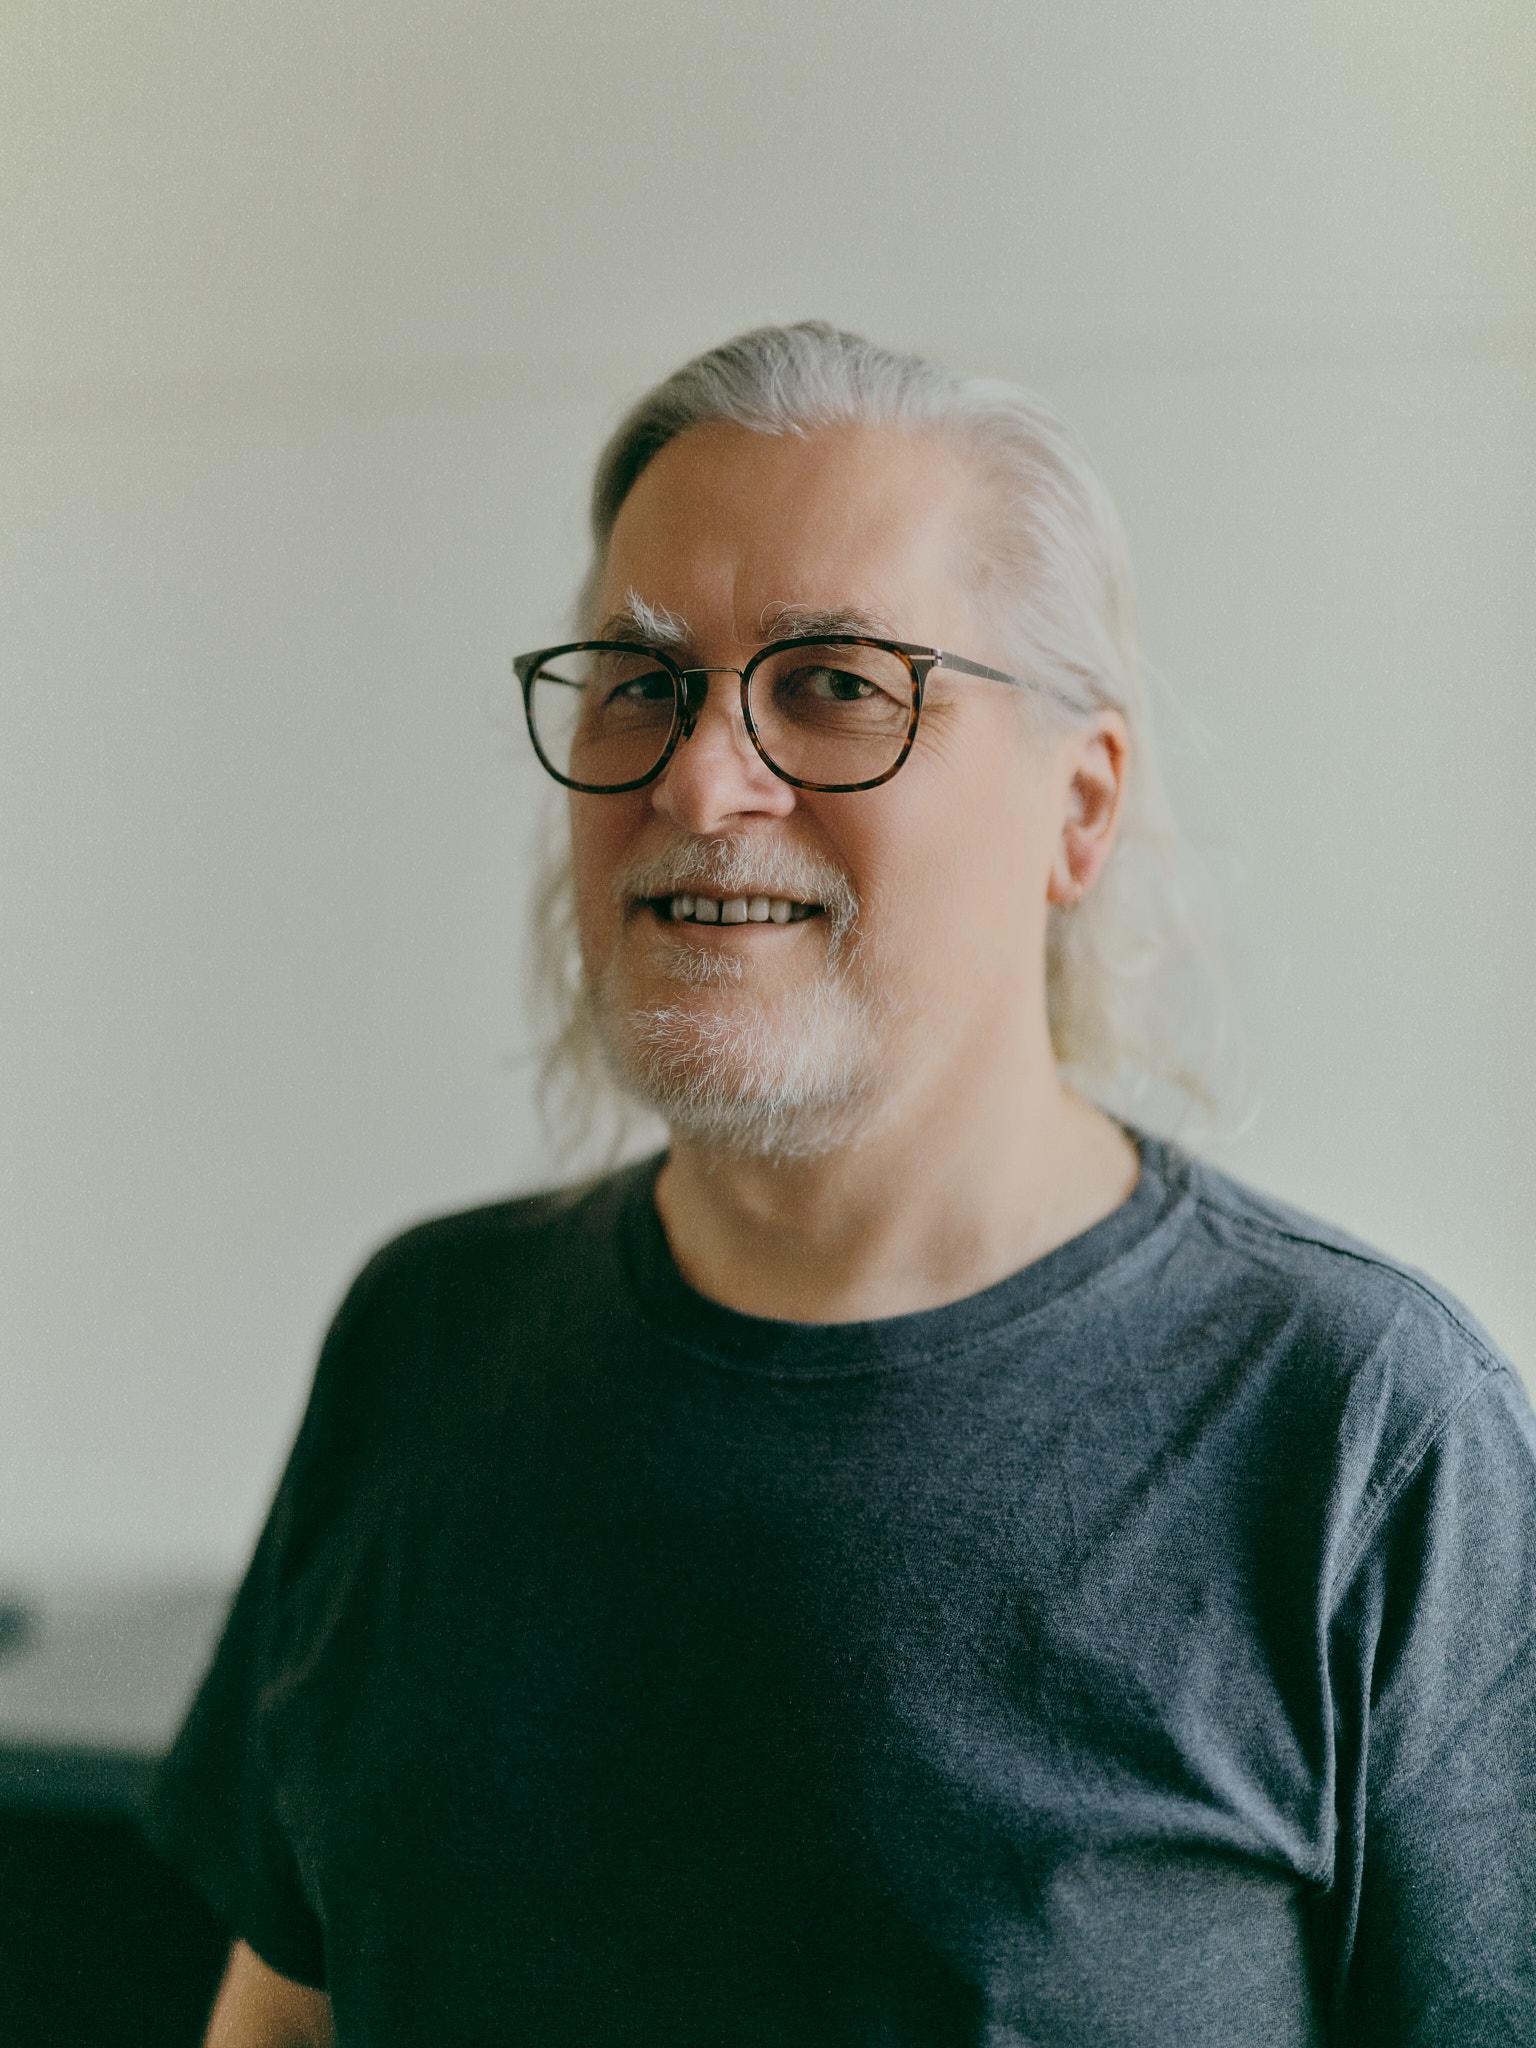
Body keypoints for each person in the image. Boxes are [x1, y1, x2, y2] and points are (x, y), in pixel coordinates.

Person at [145, 323, 1535, 2046]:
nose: (700, 778)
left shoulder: (1359, 1434)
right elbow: (288, 2017)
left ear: (1078, 810)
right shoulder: (422, 1341)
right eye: (641, 682)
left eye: (836, 685)